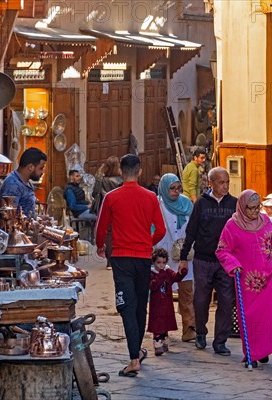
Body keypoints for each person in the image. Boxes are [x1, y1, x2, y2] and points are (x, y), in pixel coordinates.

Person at [95, 154, 166, 377]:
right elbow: (161, 230)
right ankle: (137, 350)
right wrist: (147, 243)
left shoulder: (112, 197)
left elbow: (101, 227)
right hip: (143, 258)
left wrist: (100, 247)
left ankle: (134, 358)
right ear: (140, 171)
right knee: (138, 305)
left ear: (120, 172)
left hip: (122, 258)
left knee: (126, 305)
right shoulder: (150, 197)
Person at [216, 189, 272, 367]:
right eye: (250, 208)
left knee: (267, 316)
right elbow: (222, 250)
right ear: (242, 207)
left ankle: (264, 349)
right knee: (250, 317)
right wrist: (233, 264)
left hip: (267, 278)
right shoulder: (232, 225)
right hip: (247, 282)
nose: (254, 212)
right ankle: (252, 352)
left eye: (256, 207)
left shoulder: (265, 221)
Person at [179, 166, 237, 356]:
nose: (225, 186)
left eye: (227, 182)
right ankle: (201, 333)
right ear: (210, 183)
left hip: (226, 261)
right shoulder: (201, 204)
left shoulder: (234, 204)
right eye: (221, 182)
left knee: (227, 301)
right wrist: (183, 256)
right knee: (201, 299)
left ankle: (220, 341)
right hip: (203, 259)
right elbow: (191, 231)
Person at [155, 173, 197, 342]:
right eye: (172, 188)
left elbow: (193, 226)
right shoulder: (158, 204)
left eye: (178, 188)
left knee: (186, 292)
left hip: (184, 254)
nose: (175, 191)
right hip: (163, 254)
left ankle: (189, 328)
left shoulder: (186, 203)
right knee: (162, 293)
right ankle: (162, 328)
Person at [148, 247, 187, 356]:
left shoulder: (168, 271)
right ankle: (157, 344)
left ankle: (164, 342)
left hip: (167, 304)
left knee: (165, 324)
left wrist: (182, 272)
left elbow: (176, 277)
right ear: (154, 262)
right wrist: (160, 275)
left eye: (163, 263)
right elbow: (153, 286)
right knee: (157, 325)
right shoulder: (151, 273)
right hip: (156, 305)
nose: (161, 265)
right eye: (158, 262)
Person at [91, 156, 123, 270]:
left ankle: (110, 260)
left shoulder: (102, 180)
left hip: (106, 207)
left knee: (108, 234)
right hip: (120, 208)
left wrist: (99, 175)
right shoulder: (121, 179)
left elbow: (94, 193)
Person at [0, 147, 47, 218]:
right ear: (30, 167)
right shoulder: (13, 184)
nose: (43, 172)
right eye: (41, 168)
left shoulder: (27, 183)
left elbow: (26, 213)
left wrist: (39, 219)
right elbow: (9, 218)